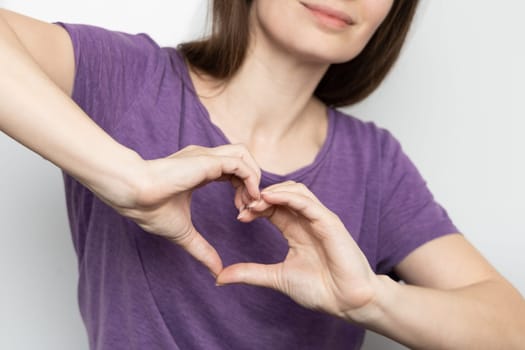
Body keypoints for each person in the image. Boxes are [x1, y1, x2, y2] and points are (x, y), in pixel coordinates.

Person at [1, 0, 524, 349]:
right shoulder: (130, 79)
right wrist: (127, 178)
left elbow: (511, 326)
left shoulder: (376, 165)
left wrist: (369, 298)